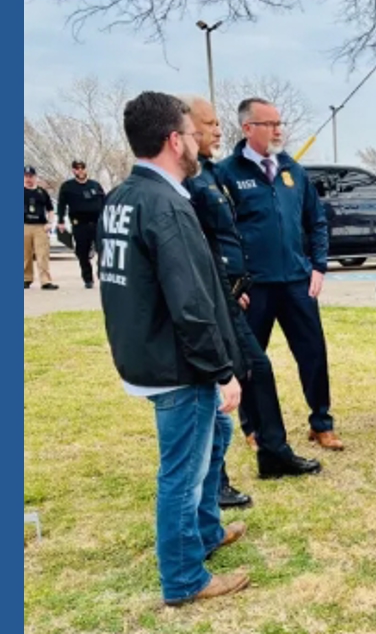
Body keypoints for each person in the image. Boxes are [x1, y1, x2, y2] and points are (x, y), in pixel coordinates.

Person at [98, 91, 249, 606]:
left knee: (216, 435)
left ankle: (205, 531)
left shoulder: (125, 197)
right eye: (190, 133)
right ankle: (185, 578)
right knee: (183, 470)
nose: (197, 142)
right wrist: (222, 370)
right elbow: (190, 303)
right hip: (177, 362)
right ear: (173, 140)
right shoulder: (164, 206)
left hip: (150, 352)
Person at [182, 96, 321, 496]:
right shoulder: (193, 181)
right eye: (209, 123)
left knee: (257, 368)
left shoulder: (211, 173)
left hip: (233, 292)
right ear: (184, 130)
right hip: (210, 298)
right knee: (214, 386)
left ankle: (273, 454)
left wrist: (235, 282)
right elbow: (197, 244)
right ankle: (216, 480)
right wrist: (224, 285)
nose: (217, 130)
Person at [218, 97, 344, 451]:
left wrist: (318, 266)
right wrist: (232, 281)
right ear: (247, 128)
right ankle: (254, 429)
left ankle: (321, 423)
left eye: (279, 123)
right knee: (251, 361)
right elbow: (220, 232)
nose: (278, 130)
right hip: (253, 286)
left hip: (296, 282)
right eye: (270, 124)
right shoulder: (227, 173)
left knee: (313, 354)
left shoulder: (293, 171)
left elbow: (316, 221)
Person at [56, 160, 107, 288]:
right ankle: (88, 279)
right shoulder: (67, 187)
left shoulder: (95, 185)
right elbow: (61, 205)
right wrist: (60, 221)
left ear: (85, 169)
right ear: (73, 170)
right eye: (77, 168)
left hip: (97, 223)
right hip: (79, 224)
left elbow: (104, 202)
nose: (80, 171)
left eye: (82, 168)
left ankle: (102, 272)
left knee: (102, 250)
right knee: (82, 253)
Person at [23, 166, 59, 290]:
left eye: (31, 176)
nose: (28, 179)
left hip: (40, 227)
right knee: (25, 255)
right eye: (26, 176)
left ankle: (45, 281)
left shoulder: (42, 192)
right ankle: (26, 279)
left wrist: (50, 223)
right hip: (24, 226)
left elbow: (50, 209)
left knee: (42, 255)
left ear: (35, 177)